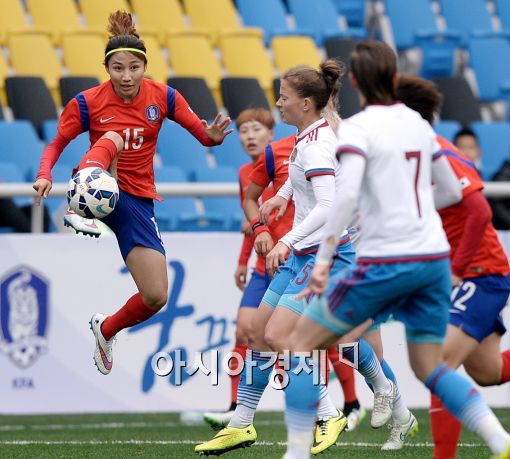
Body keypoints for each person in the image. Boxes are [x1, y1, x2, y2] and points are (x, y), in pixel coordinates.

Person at [283, 40, 510, 459]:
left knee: (300, 343)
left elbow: (345, 197)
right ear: (393, 78)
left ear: (354, 82)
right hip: (433, 261)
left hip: (387, 261)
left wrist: (325, 262)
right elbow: (445, 190)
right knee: (431, 367)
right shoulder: (419, 125)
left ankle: (296, 451)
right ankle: (500, 441)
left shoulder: (358, 129)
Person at [32, 11, 232, 375]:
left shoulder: (164, 97)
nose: (126, 76)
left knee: (156, 296)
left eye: (134, 67)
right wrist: (45, 174)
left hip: (136, 200)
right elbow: (57, 142)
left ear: (145, 67)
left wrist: (212, 138)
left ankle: (105, 329)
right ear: (107, 69)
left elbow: (201, 134)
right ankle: (79, 208)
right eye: (118, 68)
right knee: (114, 136)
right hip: (99, 182)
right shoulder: (88, 102)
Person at [196, 59, 355, 456]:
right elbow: (297, 184)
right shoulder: (306, 137)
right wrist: (278, 200)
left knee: (282, 337)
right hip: (304, 253)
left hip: (321, 254)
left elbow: (327, 205)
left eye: (284, 97)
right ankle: (241, 424)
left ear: (305, 103)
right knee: (259, 334)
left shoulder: (317, 143)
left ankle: (331, 412)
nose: (278, 103)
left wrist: (288, 239)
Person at [397, 74, 510, 459]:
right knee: (487, 373)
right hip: (464, 276)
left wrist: (457, 269)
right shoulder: (410, 157)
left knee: (437, 362)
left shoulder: (438, 153)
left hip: (482, 274)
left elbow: (479, 211)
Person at [203, 107, 281, 428]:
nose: (249, 135)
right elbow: (252, 222)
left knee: (296, 341)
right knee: (244, 331)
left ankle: (340, 405)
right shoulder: (244, 174)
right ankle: (236, 407)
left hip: (293, 264)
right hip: (263, 268)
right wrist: (242, 260)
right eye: (244, 130)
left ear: (270, 134)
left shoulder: (288, 166)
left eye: (256, 129)